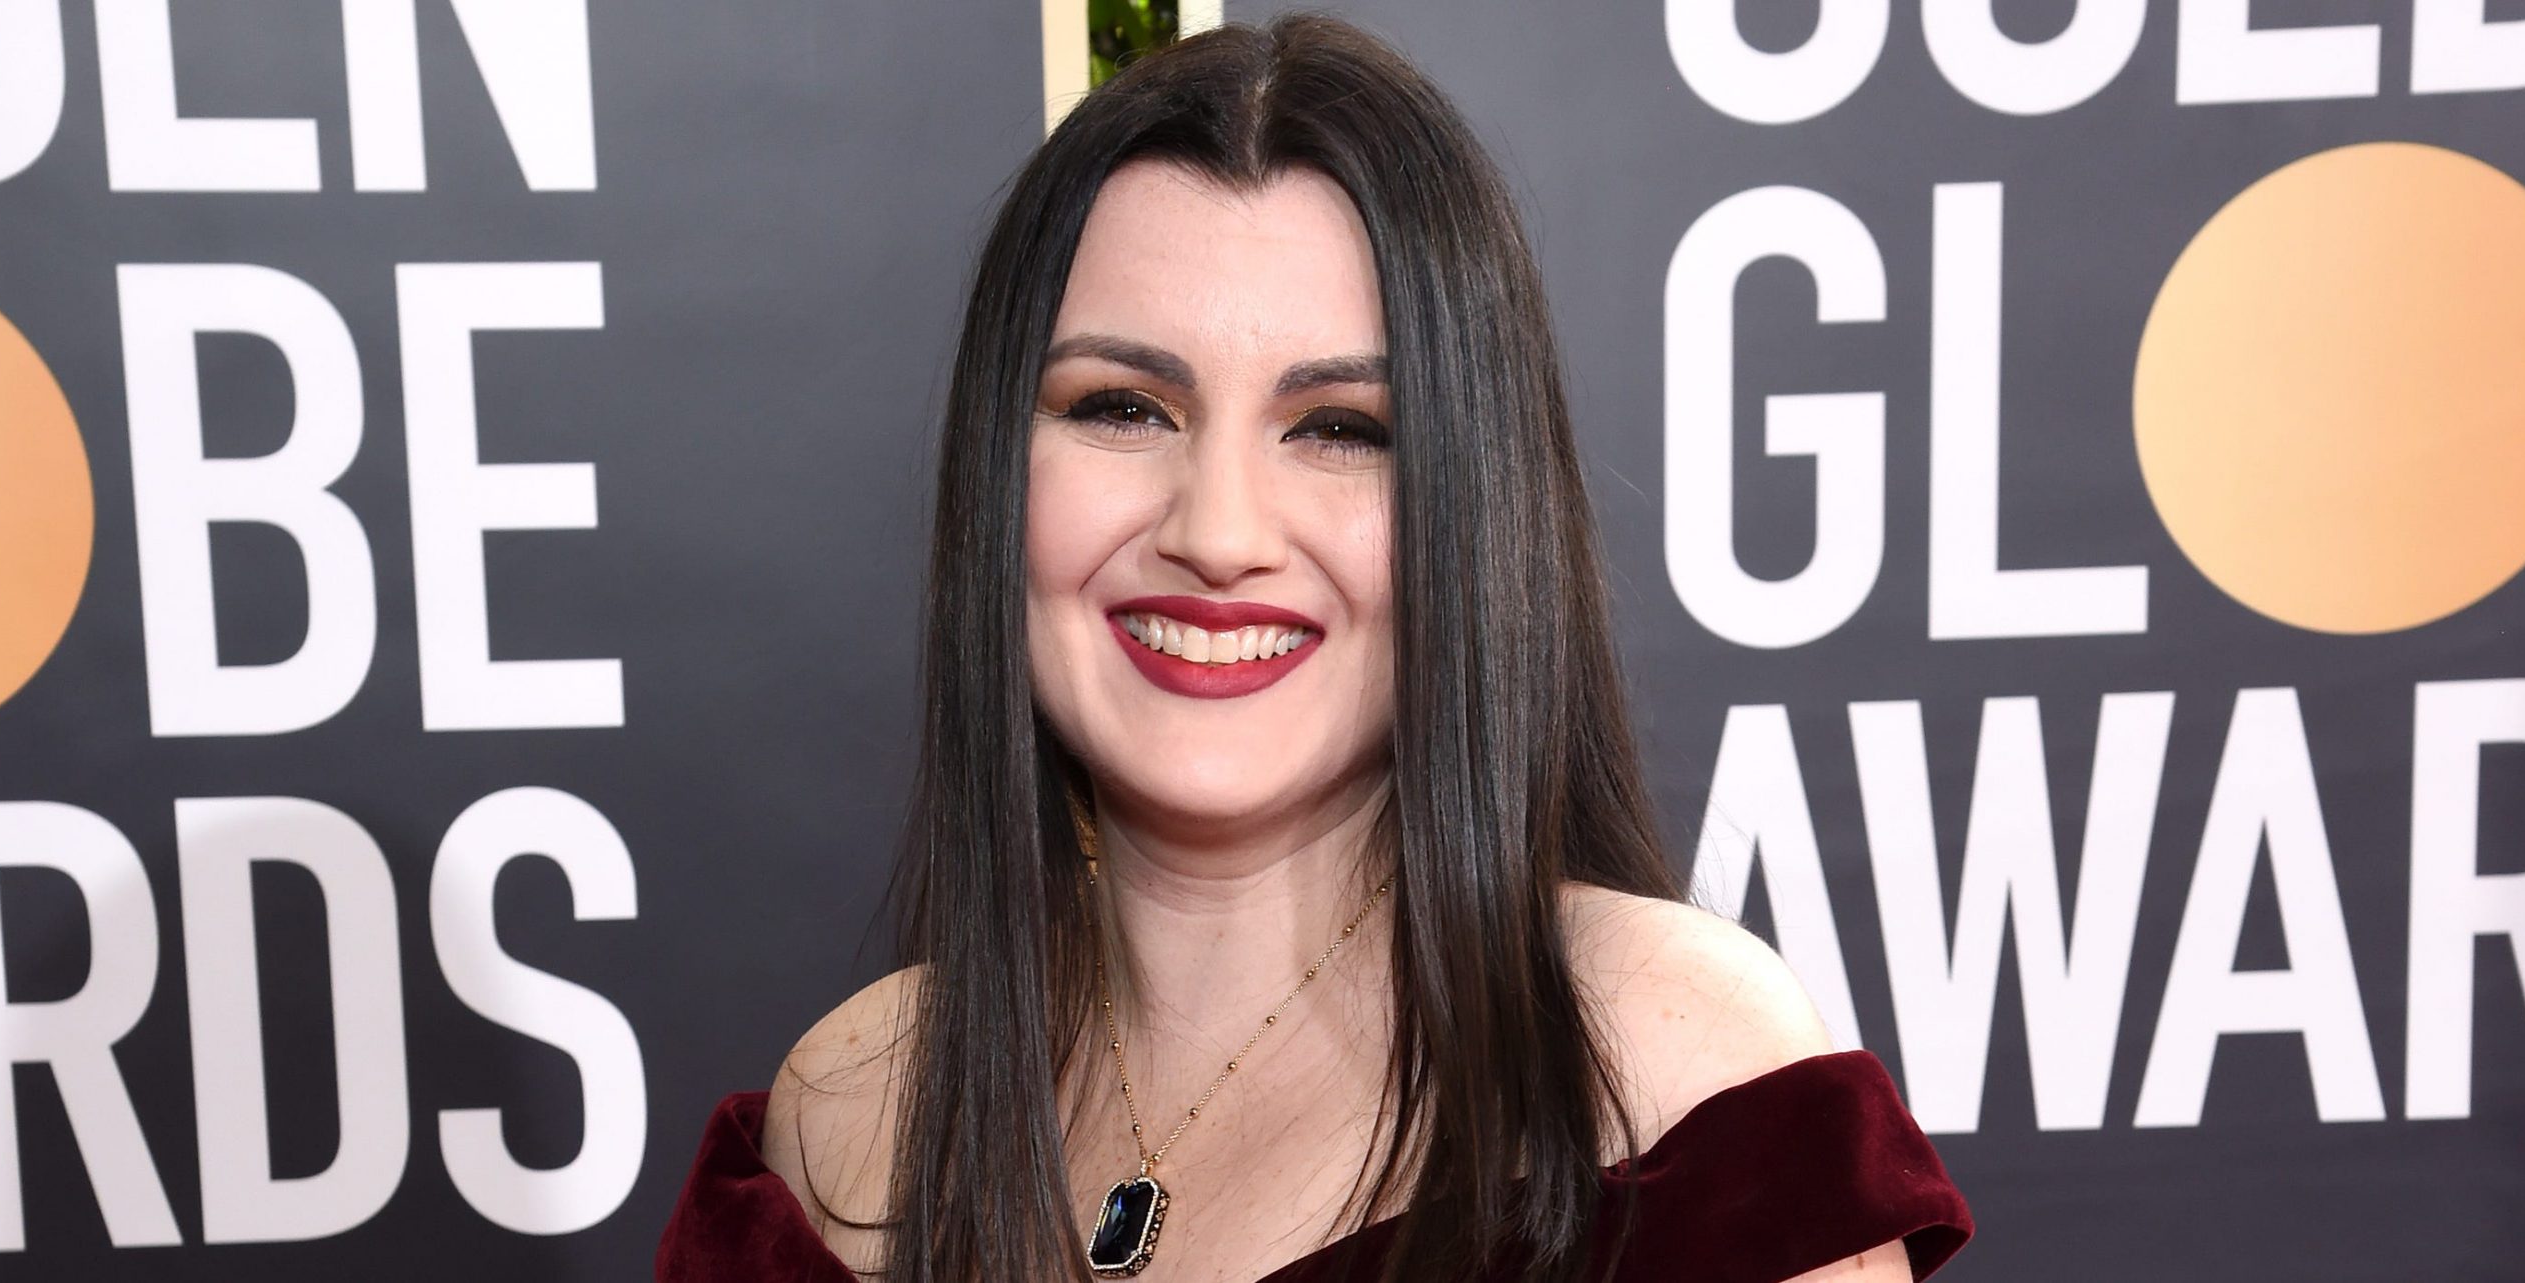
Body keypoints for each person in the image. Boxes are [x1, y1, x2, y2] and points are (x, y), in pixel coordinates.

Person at [657, 13, 1970, 1282]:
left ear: (1475, 503)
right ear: (995, 475)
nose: (1219, 533)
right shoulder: (847, 1123)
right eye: (1121, 407)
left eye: (1340, 427)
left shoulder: (1671, 1084)